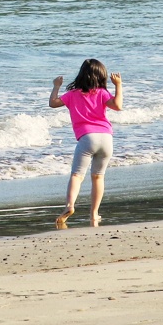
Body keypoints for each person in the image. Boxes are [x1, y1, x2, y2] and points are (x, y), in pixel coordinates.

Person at [48, 58, 123, 228]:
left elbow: (53, 103)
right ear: (102, 76)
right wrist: (118, 85)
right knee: (98, 177)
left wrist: (56, 86)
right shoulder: (102, 93)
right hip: (106, 138)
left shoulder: (72, 94)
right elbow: (118, 106)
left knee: (77, 175)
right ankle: (94, 214)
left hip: (87, 138)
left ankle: (69, 206)